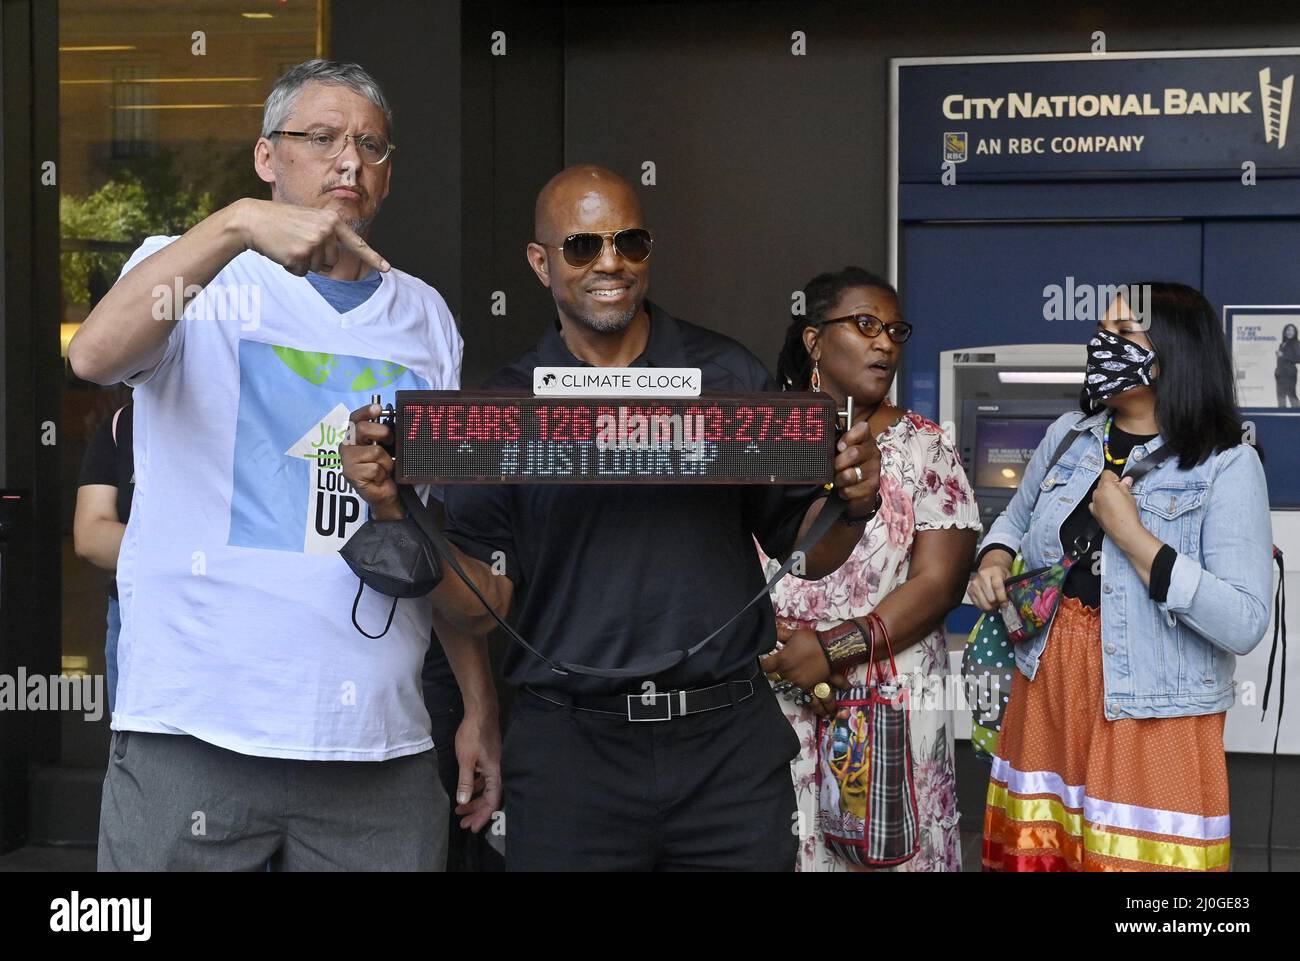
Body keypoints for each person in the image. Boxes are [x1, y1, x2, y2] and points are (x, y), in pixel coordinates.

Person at [341, 164, 883, 871]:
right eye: (582, 246)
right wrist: (394, 511)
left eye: (630, 242)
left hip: (727, 748)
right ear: (539, 263)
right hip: (572, 757)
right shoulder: (500, 409)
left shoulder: (725, 374)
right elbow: (483, 605)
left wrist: (853, 502)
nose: (610, 263)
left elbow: (805, 550)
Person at [69, 59, 498, 871]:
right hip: (193, 730)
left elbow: (423, 528)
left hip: (377, 741)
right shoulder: (186, 264)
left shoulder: (426, 318)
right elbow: (92, 354)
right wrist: (233, 227)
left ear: (388, 174)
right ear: (267, 158)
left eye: (371, 145)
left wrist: (478, 705)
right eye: (322, 137)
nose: (349, 161)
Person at [970, 282, 1275, 872]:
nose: (1102, 344)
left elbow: (1243, 622)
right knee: (1043, 853)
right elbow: (1015, 515)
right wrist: (994, 559)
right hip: (1049, 684)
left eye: (1122, 334)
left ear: (1174, 352)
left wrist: (1134, 537)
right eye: (1101, 332)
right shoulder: (1069, 434)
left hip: (1153, 708)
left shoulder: (1226, 464)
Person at [757, 267, 980, 871]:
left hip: (892, 714)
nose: (885, 343)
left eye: (894, 330)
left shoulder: (925, 448)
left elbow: (939, 586)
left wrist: (830, 651)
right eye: (864, 325)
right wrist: (782, 652)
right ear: (813, 340)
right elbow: (720, 569)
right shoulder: (761, 441)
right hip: (777, 708)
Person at [74, 404, 135, 715]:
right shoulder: (122, 424)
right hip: (135, 613)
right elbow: (90, 536)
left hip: (227, 611)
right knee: (133, 749)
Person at [1276, 322, 1300, 408]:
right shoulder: (1282, 344)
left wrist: (1283, 355)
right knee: (1280, 396)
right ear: (1285, 332)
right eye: (1288, 330)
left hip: (1290, 374)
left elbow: (1298, 359)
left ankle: (1297, 417)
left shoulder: (1296, 343)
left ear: (1295, 332)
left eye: (1292, 330)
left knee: (1291, 395)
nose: (1290, 332)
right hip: (1280, 374)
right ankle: (1281, 418)